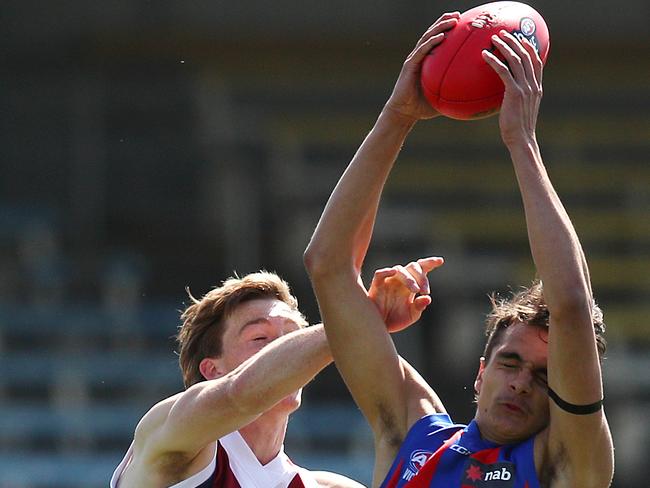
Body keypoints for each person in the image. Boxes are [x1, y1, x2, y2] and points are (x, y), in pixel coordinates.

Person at [304, 11, 614, 488]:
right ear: (481, 372)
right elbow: (327, 264)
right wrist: (398, 116)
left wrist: (522, 142)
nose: (520, 384)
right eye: (510, 363)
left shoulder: (566, 464)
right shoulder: (413, 432)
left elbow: (571, 304)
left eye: (544, 376)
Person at [110, 269, 434, 487]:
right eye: (260, 339)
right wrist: (358, 319)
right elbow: (238, 394)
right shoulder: (170, 432)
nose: (284, 350)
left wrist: (370, 329)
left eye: (293, 338)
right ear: (212, 371)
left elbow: (418, 427)